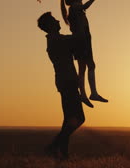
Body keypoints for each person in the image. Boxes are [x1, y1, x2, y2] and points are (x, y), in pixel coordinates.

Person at [37, 12, 85, 159]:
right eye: (54, 20)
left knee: (69, 119)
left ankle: (63, 155)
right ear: (50, 25)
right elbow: (77, 39)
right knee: (79, 118)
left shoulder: (55, 40)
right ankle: (53, 147)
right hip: (67, 82)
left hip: (65, 82)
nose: (58, 21)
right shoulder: (57, 40)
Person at [60, 0, 108, 108]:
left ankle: (84, 95)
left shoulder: (73, 10)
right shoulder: (75, 7)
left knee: (83, 68)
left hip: (82, 40)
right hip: (82, 40)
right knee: (90, 66)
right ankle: (92, 93)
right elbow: (85, 6)